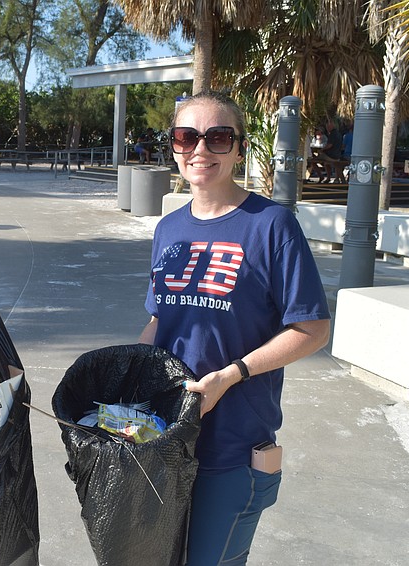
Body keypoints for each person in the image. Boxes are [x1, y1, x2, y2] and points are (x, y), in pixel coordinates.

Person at [139, 91, 331, 565]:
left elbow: (312, 328)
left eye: (217, 137)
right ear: (174, 147)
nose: (200, 149)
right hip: (164, 436)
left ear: (239, 148)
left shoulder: (271, 225)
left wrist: (230, 375)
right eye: (187, 137)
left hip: (234, 445)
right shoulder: (169, 229)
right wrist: (130, 372)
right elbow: (160, 318)